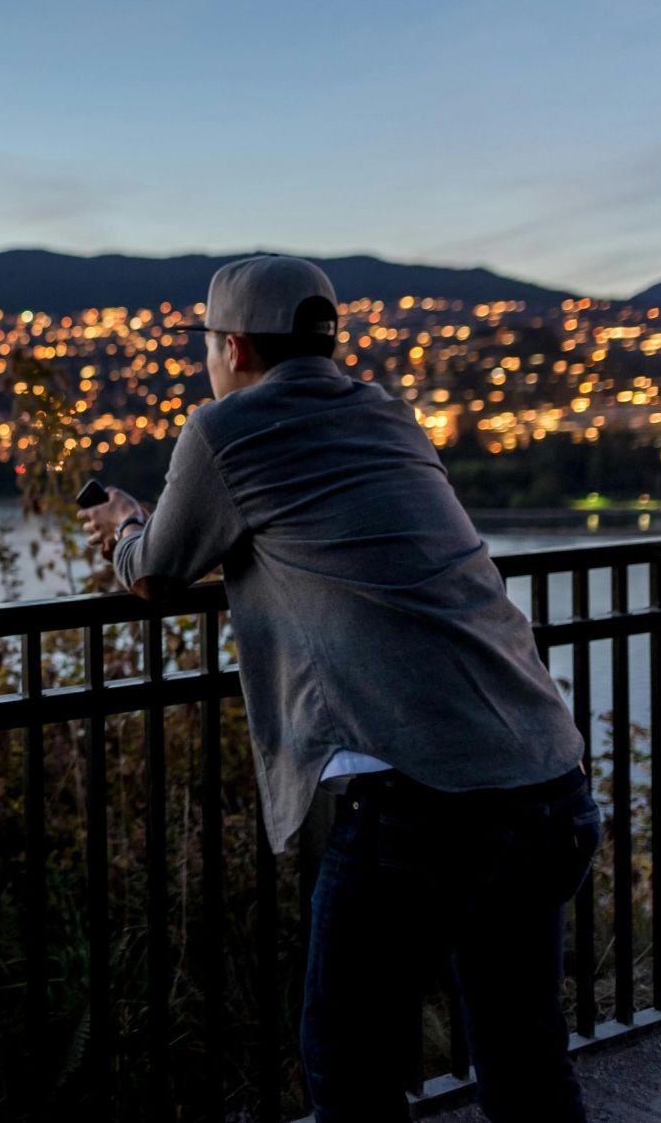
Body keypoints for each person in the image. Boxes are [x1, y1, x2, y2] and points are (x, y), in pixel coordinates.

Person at [78, 255, 602, 1123]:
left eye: (209, 343)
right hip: (548, 777)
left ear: (235, 348)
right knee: (525, 1060)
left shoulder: (223, 430)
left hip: (421, 801)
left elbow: (154, 572)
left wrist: (125, 521)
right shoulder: (387, 414)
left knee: (348, 1064)